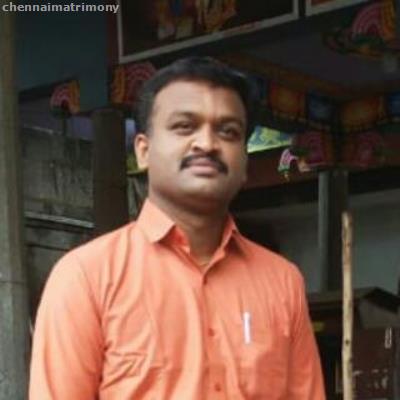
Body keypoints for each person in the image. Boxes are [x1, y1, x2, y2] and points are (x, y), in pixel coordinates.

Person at [29, 57, 325, 399]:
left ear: (244, 161)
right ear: (143, 151)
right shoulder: (86, 277)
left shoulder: (283, 282)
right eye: (185, 126)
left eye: (228, 131)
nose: (207, 143)